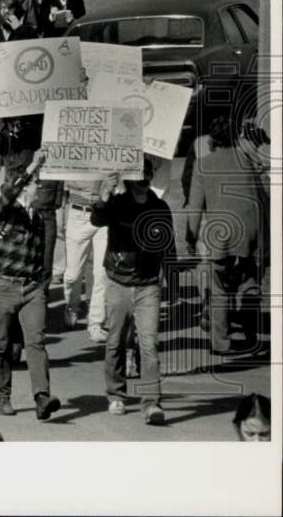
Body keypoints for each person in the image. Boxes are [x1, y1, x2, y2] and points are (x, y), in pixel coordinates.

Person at [91, 158, 175, 425]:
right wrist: (104, 196)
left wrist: (172, 285)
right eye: (137, 177)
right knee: (115, 340)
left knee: (149, 344)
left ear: (150, 178)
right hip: (119, 282)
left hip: (148, 285)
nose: (141, 182)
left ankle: (151, 404)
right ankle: (116, 394)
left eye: (145, 176)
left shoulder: (159, 208)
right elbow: (97, 218)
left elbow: (168, 249)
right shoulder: (117, 204)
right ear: (129, 180)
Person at [0, 150, 62, 420]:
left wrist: (41, 283)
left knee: (36, 341)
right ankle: (2, 396)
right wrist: (32, 166)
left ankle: (42, 397)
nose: (39, 187)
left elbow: (40, 254)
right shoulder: (7, 212)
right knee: (3, 344)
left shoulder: (38, 218)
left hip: (30, 288)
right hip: (4, 286)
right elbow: (6, 194)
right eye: (35, 184)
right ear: (24, 188)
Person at [185, 116, 263, 356]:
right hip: (251, 231)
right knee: (249, 281)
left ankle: (221, 343)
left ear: (211, 141)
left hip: (221, 235)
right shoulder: (247, 159)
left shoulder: (203, 165)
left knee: (219, 287)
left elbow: (195, 208)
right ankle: (251, 336)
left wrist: (191, 238)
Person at [62, 180, 109, 343]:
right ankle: (71, 306)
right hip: (77, 214)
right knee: (72, 275)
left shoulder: (112, 156)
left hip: (104, 214)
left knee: (101, 273)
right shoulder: (75, 157)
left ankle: (95, 323)